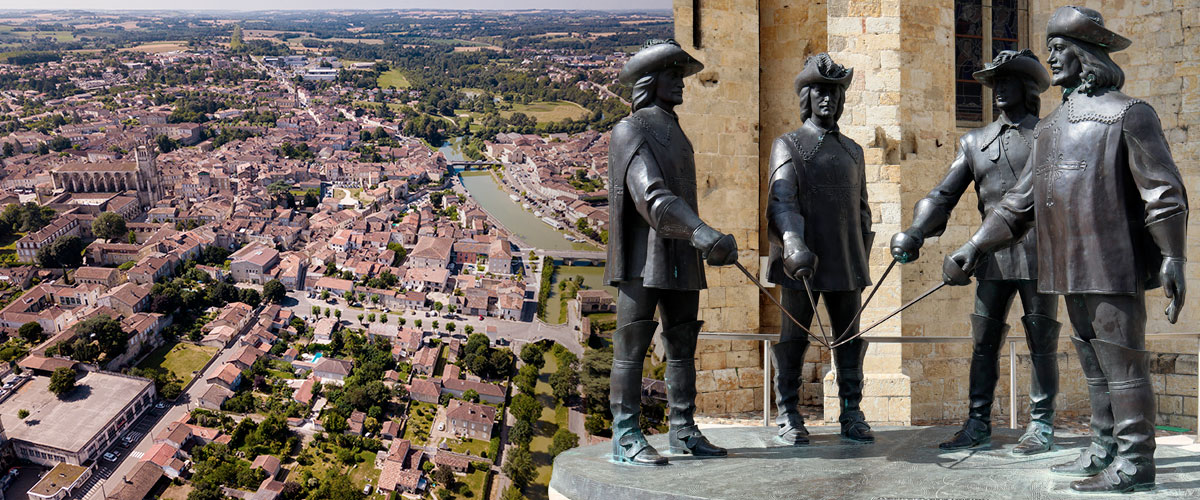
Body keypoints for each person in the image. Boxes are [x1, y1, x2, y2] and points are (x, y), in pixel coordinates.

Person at [944, 6, 1188, 493]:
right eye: (1050, 50)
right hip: (1067, 268)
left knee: (1123, 365)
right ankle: (1103, 447)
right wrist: (974, 246)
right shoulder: (1050, 128)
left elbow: (1163, 193)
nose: (1052, 58)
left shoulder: (1129, 114)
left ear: (1086, 54)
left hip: (1112, 266)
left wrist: (1173, 257)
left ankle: (1135, 461)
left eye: (1059, 49)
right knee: (1094, 365)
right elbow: (1018, 205)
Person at [890, 49, 1061, 454]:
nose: (999, 88)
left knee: (1042, 343)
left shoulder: (1050, 136)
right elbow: (942, 195)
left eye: (1008, 80)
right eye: (994, 82)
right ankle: (977, 422)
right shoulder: (975, 142)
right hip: (991, 260)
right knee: (983, 343)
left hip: (1040, 257)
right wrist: (916, 231)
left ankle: (1041, 424)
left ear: (1027, 86)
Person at [604, 39, 739, 465]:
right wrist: (701, 232)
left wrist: (700, 237)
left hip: (680, 256)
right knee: (631, 347)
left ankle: (683, 429)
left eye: (681, 74)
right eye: (671, 74)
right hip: (642, 260)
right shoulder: (631, 130)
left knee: (682, 345)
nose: (680, 82)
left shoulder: (676, 132)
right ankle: (626, 434)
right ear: (650, 80)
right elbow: (651, 197)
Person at [765, 53, 874, 445]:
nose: (828, 99)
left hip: (845, 259)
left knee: (848, 340)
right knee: (793, 339)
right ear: (806, 97)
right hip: (801, 261)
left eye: (834, 92)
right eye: (819, 92)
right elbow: (781, 202)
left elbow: (862, 209)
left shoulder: (854, 151)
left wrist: (861, 255)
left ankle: (852, 411)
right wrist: (793, 244)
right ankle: (788, 413)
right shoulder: (788, 145)